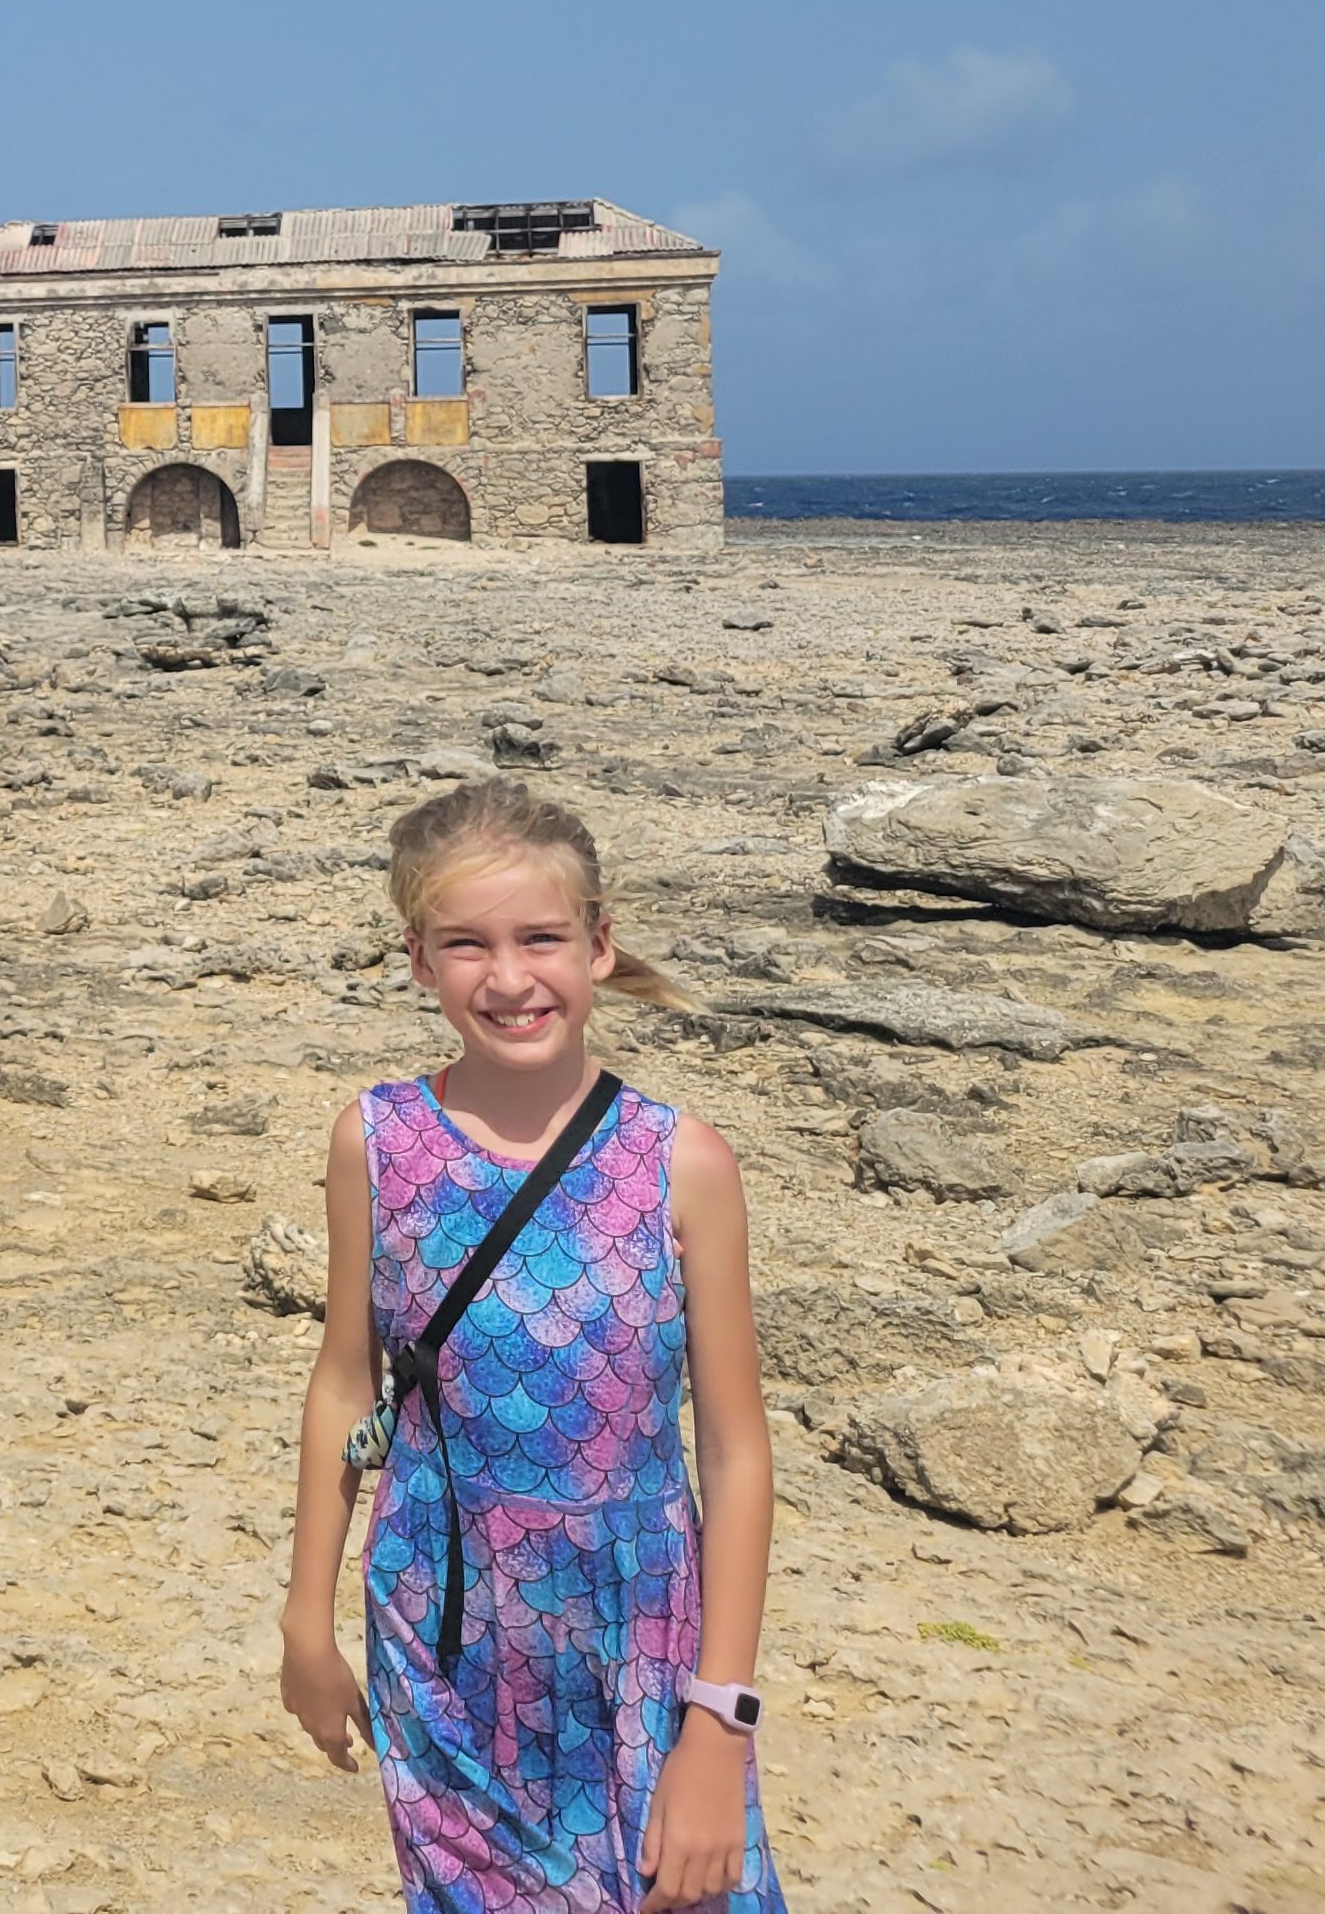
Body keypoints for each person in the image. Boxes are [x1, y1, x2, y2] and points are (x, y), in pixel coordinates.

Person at [277, 779, 786, 1913]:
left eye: (540, 938)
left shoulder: (681, 1162)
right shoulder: (376, 1139)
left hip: (640, 1632)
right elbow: (345, 1387)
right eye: (467, 945)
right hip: (441, 1623)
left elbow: (737, 1454)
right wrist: (306, 1622)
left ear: (599, 946)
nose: (508, 979)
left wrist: (720, 1720)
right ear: (418, 960)